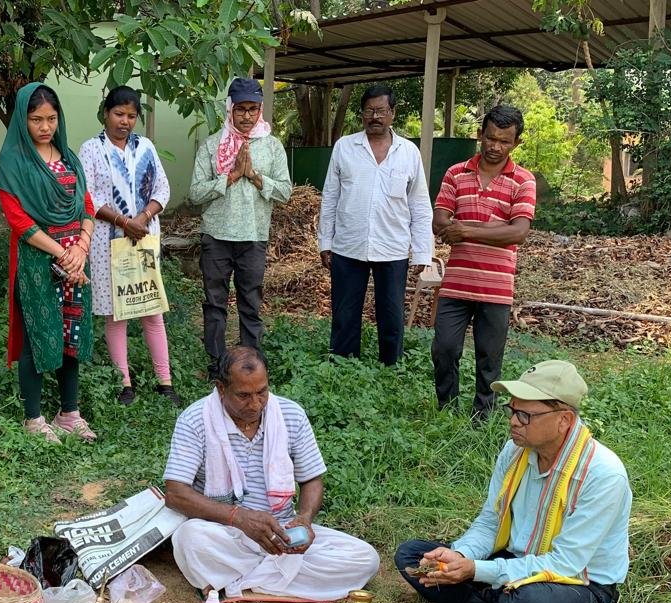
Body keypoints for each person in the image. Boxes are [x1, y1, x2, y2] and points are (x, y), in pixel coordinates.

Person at [395, 360, 631, 603]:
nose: (513, 422)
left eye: (525, 415)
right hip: (516, 563)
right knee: (414, 556)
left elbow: (566, 564)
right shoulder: (514, 452)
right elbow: (491, 523)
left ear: (564, 420)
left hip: (578, 584)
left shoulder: (603, 475)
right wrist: (461, 556)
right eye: (512, 411)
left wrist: (475, 571)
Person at [164, 346, 380, 601]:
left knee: (366, 558)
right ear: (221, 389)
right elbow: (175, 494)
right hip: (226, 533)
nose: (255, 404)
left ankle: (235, 582)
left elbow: (311, 479)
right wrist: (240, 518)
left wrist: (305, 519)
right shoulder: (195, 420)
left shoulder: (291, 415)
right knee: (189, 538)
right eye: (243, 395)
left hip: (284, 534)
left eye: (262, 392)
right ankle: (279, 580)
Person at [0, 82, 98, 443]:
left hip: (76, 262)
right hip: (36, 262)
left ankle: (69, 413)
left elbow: (87, 205)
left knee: (72, 335)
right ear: (23, 120)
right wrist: (63, 253)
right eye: (36, 119)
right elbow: (19, 222)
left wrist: (81, 249)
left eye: (51, 118)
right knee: (37, 336)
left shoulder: (68, 156)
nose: (45, 127)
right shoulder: (14, 163)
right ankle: (34, 418)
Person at [430, 105, 537, 421]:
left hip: (496, 288)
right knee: (444, 349)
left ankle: (482, 417)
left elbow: (518, 232)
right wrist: (494, 228)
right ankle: (447, 410)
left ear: (516, 143)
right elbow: (440, 222)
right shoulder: (455, 173)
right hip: (456, 284)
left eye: (504, 141)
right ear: (480, 135)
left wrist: (467, 229)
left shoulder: (523, 181)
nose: (495, 146)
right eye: (490, 138)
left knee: (489, 358)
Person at [78, 86, 180, 406]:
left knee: (151, 310)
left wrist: (143, 217)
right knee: (117, 314)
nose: (125, 121)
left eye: (131, 116)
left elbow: (162, 189)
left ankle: (165, 382)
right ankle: (124, 384)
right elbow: (89, 196)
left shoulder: (145, 147)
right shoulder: (91, 149)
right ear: (105, 113)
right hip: (108, 243)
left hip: (144, 240)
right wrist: (125, 222)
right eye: (119, 114)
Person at [318, 84, 432, 365]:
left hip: (392, 249)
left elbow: (419, 204)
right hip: (348, 246)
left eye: (381, 110)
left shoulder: (408, 152)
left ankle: (390, 366)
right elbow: (330, 197)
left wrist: (421, 253)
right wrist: (325, 242)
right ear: (362, 115)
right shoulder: (345, 147)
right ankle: (343, 365)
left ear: (392, 113)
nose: (375, 116)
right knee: (344, 314)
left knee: (392, 315)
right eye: (369, 111)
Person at [188, 78, 293, 380]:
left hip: (254, 236)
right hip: (217, 235)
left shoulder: (272, 147)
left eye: (253, 109)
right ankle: (218, 364)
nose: (247, 116)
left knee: (250, 301)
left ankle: (251, 364)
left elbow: (285, 191)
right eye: (241, 109)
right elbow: (195, 194)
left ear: (260, 110)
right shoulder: (212, 145)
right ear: (230, 109)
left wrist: (255, 177)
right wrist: (231, 177)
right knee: (215, 302)